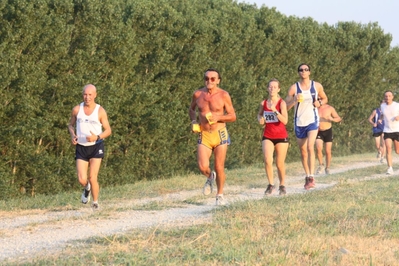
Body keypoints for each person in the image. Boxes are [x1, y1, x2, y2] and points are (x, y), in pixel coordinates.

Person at [189, 68, 236, 205]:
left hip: (220, 133)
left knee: (219, 166)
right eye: (206, 78)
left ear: (218, 81)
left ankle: (220, 195)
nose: (209, 81)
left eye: (213, 79)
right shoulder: (198, 94)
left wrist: (218, 117)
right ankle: (210, 176)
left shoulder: (223, 95)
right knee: (202, 166)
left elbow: (233, 116)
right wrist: (193, 121)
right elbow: (191, 109)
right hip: (204, 133)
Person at [68, 84, 112, 209]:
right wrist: (73, 135)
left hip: (96, 146)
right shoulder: (77, 109)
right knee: (82, 179)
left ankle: (95, 203)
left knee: (93, 176)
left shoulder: (100, 111)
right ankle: (86, 188)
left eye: (90, 95)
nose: (87, 97)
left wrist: (97, 137)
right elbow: (70, 125)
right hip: (81, 147)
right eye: (85, 94)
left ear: (95, 95)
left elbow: (108, 130)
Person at [285, 63, 328, 190]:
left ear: (309, 72)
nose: (303, 71)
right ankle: (307, 175)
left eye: (306, 69)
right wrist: (294, 101)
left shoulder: (317, 86)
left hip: (312, 121)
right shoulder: (294, 88)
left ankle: (311, 176)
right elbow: (285, 107)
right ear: (298, 73)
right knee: (303, 151)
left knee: (310, 147)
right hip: (299, 122)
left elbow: (325, 98)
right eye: (301, 70)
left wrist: (319, 102)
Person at [257, 79, 289, 196]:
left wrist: (275, 110)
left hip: (281, 136)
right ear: (267, 88)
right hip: (268, 135)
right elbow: (260, 114)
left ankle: (282, 185)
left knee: (279, 163)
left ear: (278, 89)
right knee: (267, 160)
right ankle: (271, 185)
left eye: (275, 87)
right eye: (270, 87)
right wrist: (260, 119)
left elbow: (285, 121)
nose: (272, 89)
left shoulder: (282, 103)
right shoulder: (263, 103)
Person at [315, 104, 342, 175]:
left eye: (321, 98)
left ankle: (328, 167)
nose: (319, 100)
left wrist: (332, 119)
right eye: (318, 98)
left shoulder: (330, 108)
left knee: (328, 151)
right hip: (318, 131)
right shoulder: (315, 108)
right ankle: (321, 165)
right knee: (318, 148)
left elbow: (338, 118)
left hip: (328, 131)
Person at [379, 91, 399, 174]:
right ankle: (390, 168)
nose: (387, 97)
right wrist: (380, 118)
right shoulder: (382, 106)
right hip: (387, 130)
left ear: (392, 97)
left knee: (397, 151)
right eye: (386, 96)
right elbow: (382, 114)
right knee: (388, 149)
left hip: (397, 130)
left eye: (389, 96)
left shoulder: (397, 105)